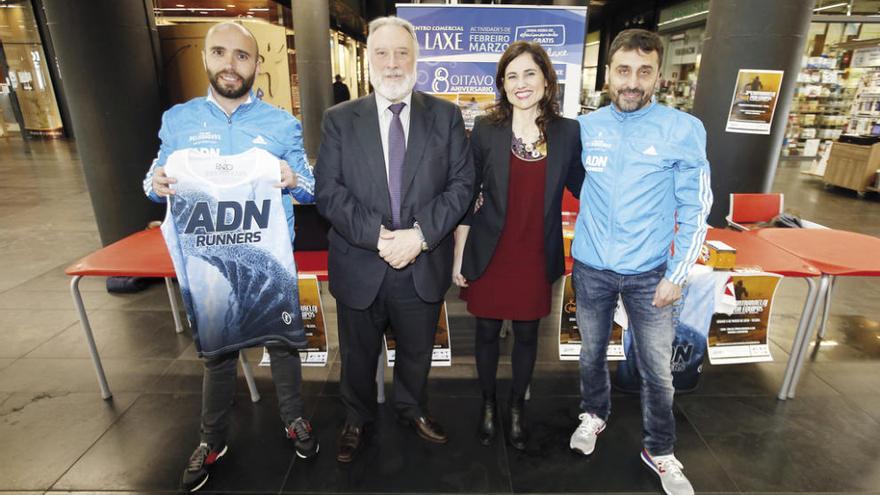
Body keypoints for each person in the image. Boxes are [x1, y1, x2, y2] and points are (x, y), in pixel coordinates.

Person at [142, 21, 318, 492]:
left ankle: (294, 418)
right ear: (205, 58)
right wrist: (154, 184)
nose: (230, 64)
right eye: (220, 53)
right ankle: (211, 438)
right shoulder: (178, 121)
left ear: (257, 65)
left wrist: (292, 179)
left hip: (269, 262)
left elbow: (312, 187)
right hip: (210, 265)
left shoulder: (282, 124)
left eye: (242, 56)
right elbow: (154, 179)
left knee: (283, 344)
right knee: (217, 355)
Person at [315, 16, 474, 463]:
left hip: (421, 263)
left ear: (416, 59)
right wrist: (378, 237)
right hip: (361, 261)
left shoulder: (445, 116)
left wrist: (420, 237)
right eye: (382, 53)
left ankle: (412, 408)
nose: (392, 62)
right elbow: (328, 190)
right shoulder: (339, 120)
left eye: (401, 52)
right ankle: (356, 418)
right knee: (357, 355)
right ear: (368, 60)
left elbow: (462, 186)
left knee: (418, 351)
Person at [569, 28, 711, 495]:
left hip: (652, 273)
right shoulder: (585, 128)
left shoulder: (683, 130)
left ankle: (660, 449)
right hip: (591, 266)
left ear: (659, 77)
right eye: (624, 71)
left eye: (644, 72)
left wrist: (677, 273)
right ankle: (594, 414)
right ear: (608, 74)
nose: (632, 82)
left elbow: (696, 208)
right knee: (590, 352)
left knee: (656, 369)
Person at [451, 41, 584, 450]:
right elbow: (467, 197)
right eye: (511, 76)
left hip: (534, 253)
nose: (521, 83)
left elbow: (584, 188)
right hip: (490, 252)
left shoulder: (568, 132)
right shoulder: (487, 130)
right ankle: (489, 403)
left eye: (529, 73)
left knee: (528, 335)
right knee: (487, 332)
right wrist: (460, 256)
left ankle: (515, 408)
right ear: (502, 85)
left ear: (546, 78)